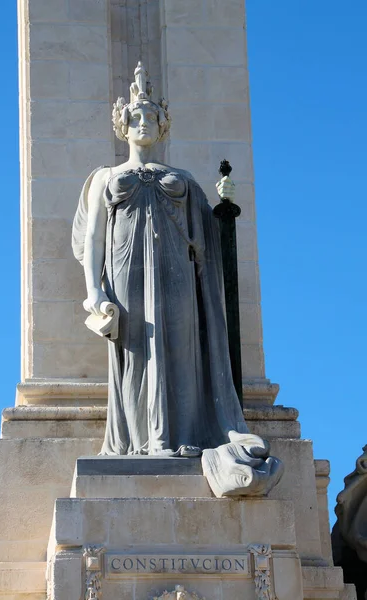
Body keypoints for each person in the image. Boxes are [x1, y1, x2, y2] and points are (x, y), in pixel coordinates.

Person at [72, 62, 248, 456]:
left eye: (152, 117)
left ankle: (181, 435)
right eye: (136, 117)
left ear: (163, 125)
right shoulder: (106, 177)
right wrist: (94, 291)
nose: (144, 123)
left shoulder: (182, 177)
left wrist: (223, 211)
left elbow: (207, 236)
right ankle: (139, 442)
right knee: (135, 358)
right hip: (125, 274)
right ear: (124, 125)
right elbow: (93, 238)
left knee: (180, 350)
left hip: (177, 274)